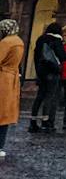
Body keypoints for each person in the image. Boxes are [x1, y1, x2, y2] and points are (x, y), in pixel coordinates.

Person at [28, 22, 64, 132]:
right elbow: (62, 55)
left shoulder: (40, 39)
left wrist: (38, 71)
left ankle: (33, 122)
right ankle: (45, 122)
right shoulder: (56, 40)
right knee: (49, 96)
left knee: (39, 97)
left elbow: (36, 56)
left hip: (41, 73)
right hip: (52, 72)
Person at [0, 19, 22, 160]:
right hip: (12, 78)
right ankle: (1, 145)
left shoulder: (6, 42)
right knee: (5, 113)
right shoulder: (19, 41)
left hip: (3, 78)